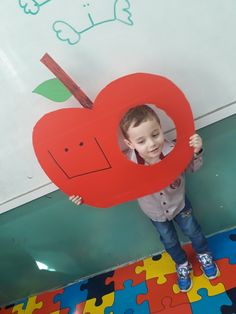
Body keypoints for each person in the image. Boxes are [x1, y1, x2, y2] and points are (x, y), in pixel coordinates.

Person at [69, 104, 219, 292]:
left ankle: (204, 254)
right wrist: (84, 196)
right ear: (130, 144)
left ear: (161, 129)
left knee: (193, 231)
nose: (151, 144)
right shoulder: (127, 165)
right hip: (155, 213)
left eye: (155, 134)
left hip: (179, 205)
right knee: (169, 241)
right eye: (141, 141)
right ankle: (181, 264)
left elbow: (193, 167)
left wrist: (196, 151)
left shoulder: (173, 149)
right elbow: (108, 187)